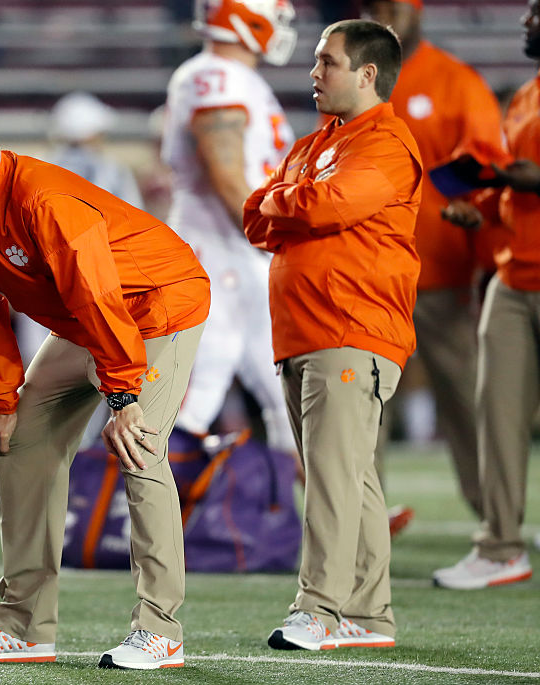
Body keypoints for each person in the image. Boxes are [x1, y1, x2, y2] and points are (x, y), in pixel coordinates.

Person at [0, 103, 210, 669]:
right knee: (19, 440)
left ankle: (160, 630)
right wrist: (3, 401)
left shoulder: (43, 201)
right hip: (87, 318)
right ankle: (23, 628)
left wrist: (122, 398)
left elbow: (98, 295)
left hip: (156, 306)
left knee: (137, 445)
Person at [244, 19, 421, 649]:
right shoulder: (318, 142)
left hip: (351, 328)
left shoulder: (387, 142)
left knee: (331, 479)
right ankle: (368, 616)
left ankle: (318, 608)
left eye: (328, 63)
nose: (314, 73)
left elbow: (324, 206)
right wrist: (292, 199)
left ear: (367, 74)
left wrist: (289, 200)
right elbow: (254, 216)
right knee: (351, 480)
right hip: (304, 332)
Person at [364, 0, 505, 534]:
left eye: (394, 4)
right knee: (361, 406)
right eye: (374, 5)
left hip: (439, 275)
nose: (385, 13)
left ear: (417, 10)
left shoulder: (454, 81)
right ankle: (362, 524)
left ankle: (498, 520)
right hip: (370, 276)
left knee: (467, 400)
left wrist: (483, 257)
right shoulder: (354, 80)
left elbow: (487, 169)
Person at [431, 0, 540, 590]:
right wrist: (486, 208)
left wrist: (526, 178)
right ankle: (500, 546)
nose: (526, 22)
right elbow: (514, 192)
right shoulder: (526, 96)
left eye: (535, 12)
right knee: (495, 417)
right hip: (514, 275)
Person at [163, 0, 297, 455]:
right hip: (217, 248)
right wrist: (268, 234)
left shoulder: (236, 77)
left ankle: (338, 520)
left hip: (240, 249)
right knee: (195, 389)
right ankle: (129, 520)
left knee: (287, 389)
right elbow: (225, 174)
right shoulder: (214, 76)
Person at [13, 91, 143, 447]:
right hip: (94, 293)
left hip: (41, 293)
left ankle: (40, 462)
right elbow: (135, 234)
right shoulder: (112, 173)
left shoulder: (34, 169)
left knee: (37, 386)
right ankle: (81, 468)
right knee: (94, 386)